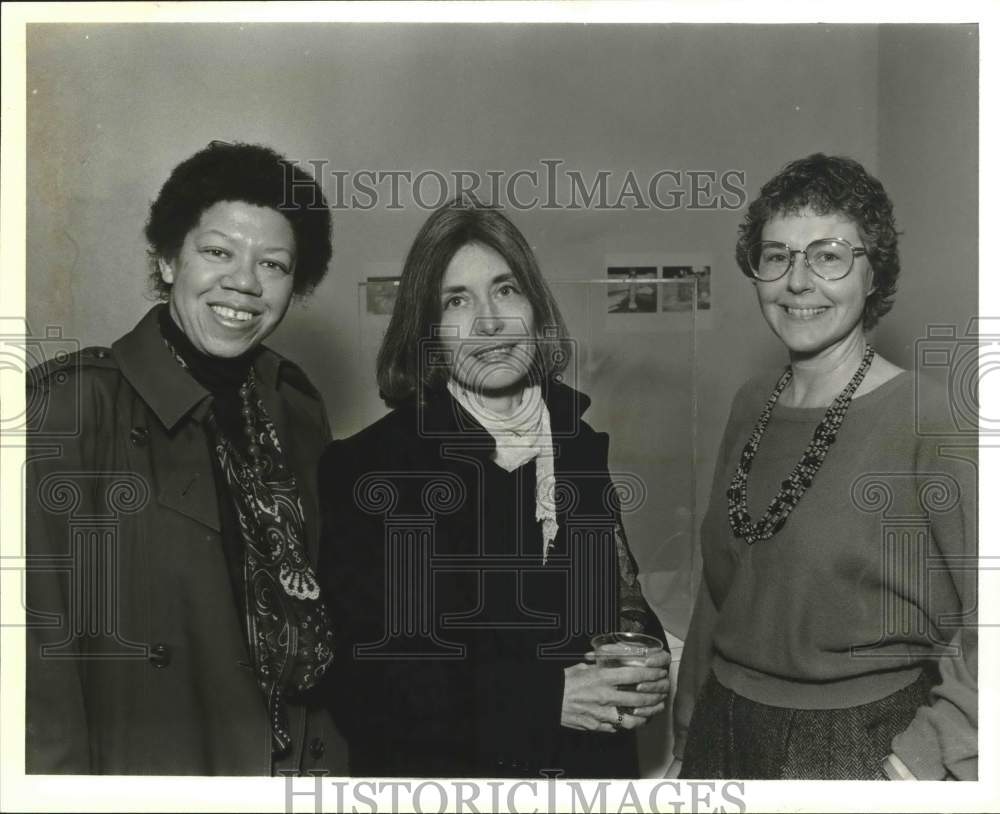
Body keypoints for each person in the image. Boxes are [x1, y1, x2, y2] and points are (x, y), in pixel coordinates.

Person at [318, 198, 669, 777]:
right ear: (427, 329)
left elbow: (615, 596)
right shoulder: (371, 467)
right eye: (457, 300)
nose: (489, 321)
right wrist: (542, 700)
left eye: (506, 290)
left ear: (534, 307)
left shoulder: (575, 446)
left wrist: (643, 654)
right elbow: (366, 677)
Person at [26, 141, 340, 775]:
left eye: (273, 264)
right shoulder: (70, 408)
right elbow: (34, 673)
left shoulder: (298, 411)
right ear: (169, 259)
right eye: (218, 252)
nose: (244, 283)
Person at [670, 154, 977, 780]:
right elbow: (720, 588)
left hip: (857, 741)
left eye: (829, 255)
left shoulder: (929, 416)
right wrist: (686, 732)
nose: (797, 281)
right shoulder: (751, 402)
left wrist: (936, 752)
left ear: (874, 274)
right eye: (777, 255)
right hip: (722, 728)